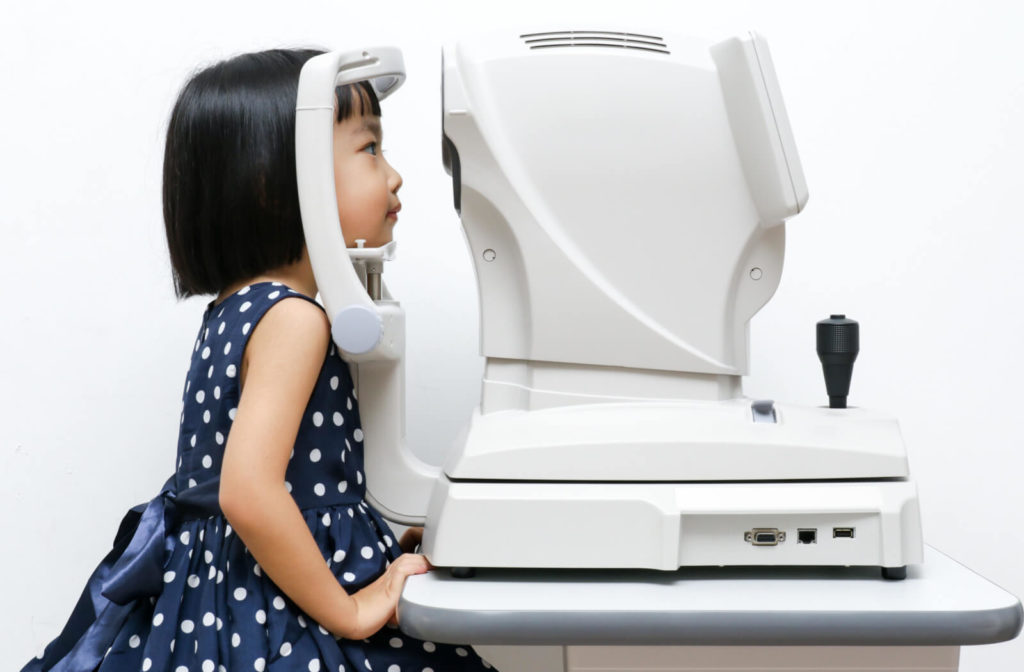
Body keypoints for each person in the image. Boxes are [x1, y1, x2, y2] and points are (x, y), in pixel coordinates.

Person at [22, 48, 495, 672]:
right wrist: (351, 611)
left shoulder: (235, 310)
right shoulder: (294, 318)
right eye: (370, 149)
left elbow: (298, 484)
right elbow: (249, 493)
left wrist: (372, 539)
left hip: (220, 596)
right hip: (270, 613)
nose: (395, 176)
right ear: (282, 178)